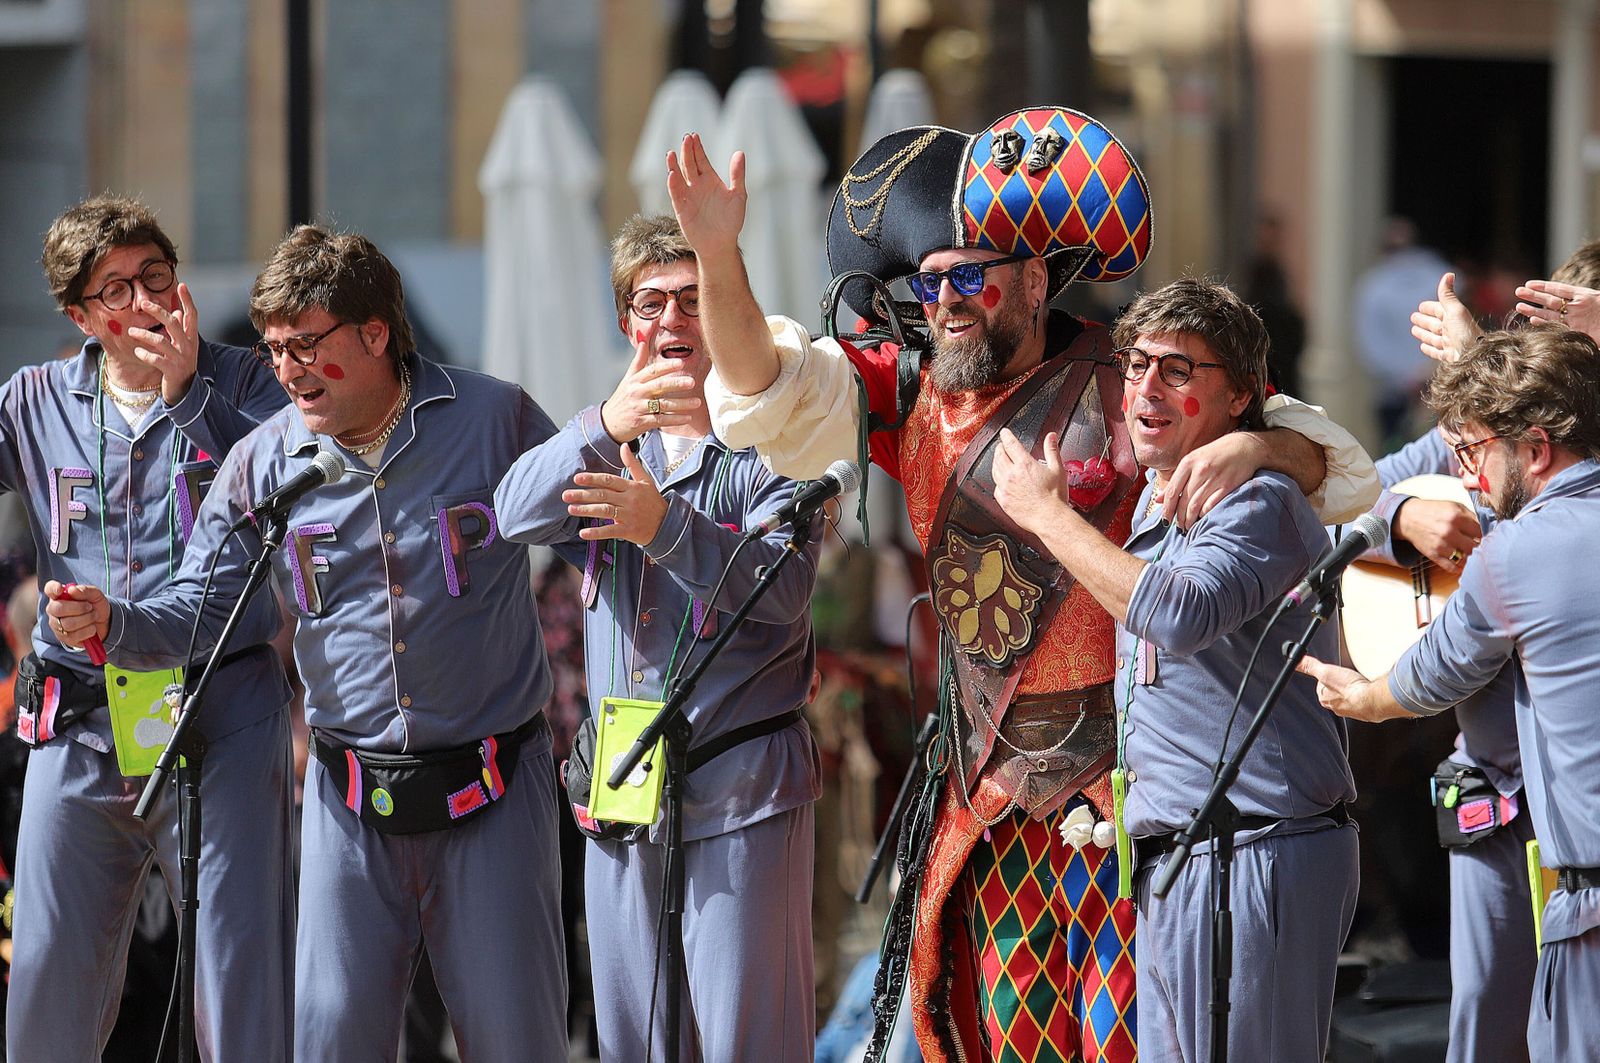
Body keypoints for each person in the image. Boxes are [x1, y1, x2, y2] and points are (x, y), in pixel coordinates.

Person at [667, 107, 1378, 1063]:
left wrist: (1260, 443)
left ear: (1035, 279)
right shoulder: (904, 385)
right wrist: (719, 255)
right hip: (990, 801)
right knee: (1010, 1044)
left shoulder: (1133, 376)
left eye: (970, 277)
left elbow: (1345, 469)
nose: (947, 299)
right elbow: (759, 391)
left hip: (1134, 802)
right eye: (931, 283)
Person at [48, 225, 568, 1061]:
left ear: (376, 333)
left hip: (495, 790)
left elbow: (600, 546)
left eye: (306, 344)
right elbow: (202, 603)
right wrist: (120, 623)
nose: (286, 369)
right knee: (327, 1043)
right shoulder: (263, 459)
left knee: (517, 1040)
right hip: (347, 801)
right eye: (274, 348)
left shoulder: (492, 414)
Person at [990, 278, 1361, 1061]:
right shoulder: (1165, 496)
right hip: (1183, 859)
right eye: (1135, 364)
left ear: (1241, 399)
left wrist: (1047, 514)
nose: (1145, 387)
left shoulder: (1259, 498)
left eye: (1179, 370)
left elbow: (1177, 612)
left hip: (1255, 852)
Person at [493, 214, 821, 1061]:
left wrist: (664, 524)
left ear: (727, 311)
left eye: (693, 298)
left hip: (741, 790)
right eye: (650, 303)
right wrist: (603, 419)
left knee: (746, 1040)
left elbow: (782, 591)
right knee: (634, 1041)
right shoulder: (605, 438)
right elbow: (512, 511)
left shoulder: (775, 436)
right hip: (624, 789)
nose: (672, 320)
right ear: (625, 324)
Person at [5, 195, 295, 1062]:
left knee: (240, 981)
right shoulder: (35, 399)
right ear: (80, 315)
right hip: (81, 719)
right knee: (48, 977)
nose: (143, 302)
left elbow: (294, 478)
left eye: (156, 277)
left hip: (220, 714)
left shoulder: (245, 382)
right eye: (116, 289)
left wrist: (185, 397)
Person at [1299, 324, 1600, 1062]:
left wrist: (1362, 697)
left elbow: (1432, 671)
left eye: (1473, 453)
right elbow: (1334, 497)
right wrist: (1400, 517)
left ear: (1533, 448)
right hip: (1502, 814)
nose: (1464, 475)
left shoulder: (1517, 548)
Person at [1355, 217, 1453, 445]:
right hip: (1432, 384)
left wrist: (1407, 376)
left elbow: (1369, 343)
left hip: (1410, 388)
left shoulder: (1373, 286)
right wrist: (1420, 373)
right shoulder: (1443, 276)